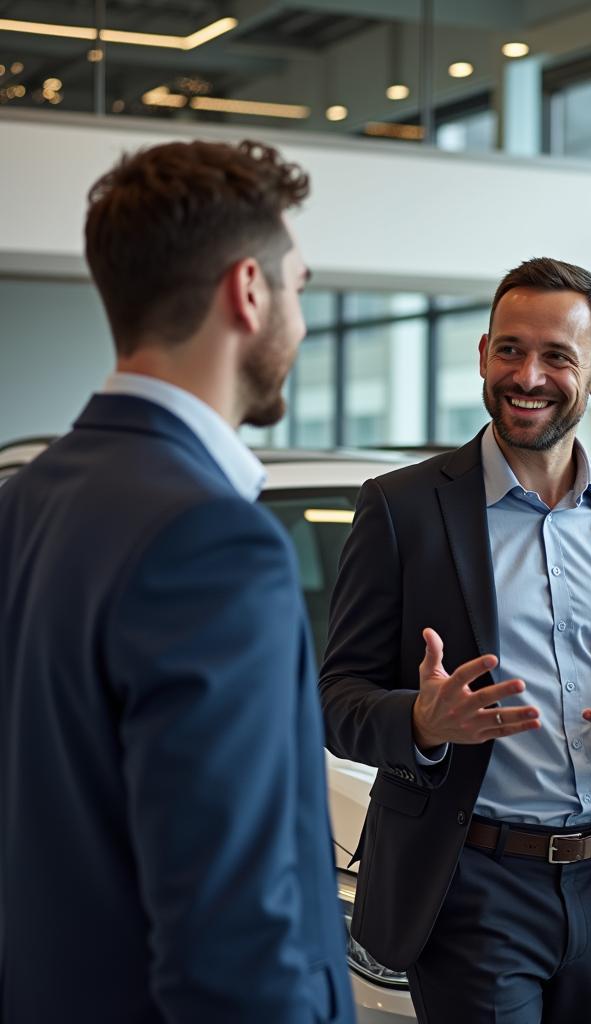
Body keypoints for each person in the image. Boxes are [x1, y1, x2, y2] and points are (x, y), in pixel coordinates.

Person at [0, 140, 354, 1023]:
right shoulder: (214, 541)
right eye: (299, 287)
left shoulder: (26, 502)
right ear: (248, 291)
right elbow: (233, 936)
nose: (302, 322)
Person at [319, 256, 591, 1023]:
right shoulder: (401, 511)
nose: (526, 375)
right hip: (474, 887)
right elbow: (336, 698)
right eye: (509, 349)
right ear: (482, 354)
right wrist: (422, 722)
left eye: (556, 356)